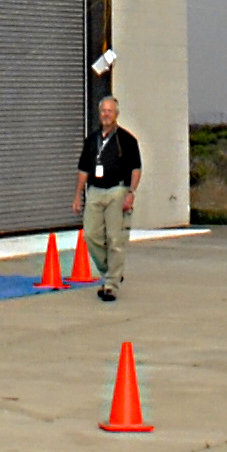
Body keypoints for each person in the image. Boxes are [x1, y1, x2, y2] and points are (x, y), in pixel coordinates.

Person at [72, 93, 141, 302]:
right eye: (103, 111)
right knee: (91, 235)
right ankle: (111, 271)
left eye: (110, 111)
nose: (106, 114)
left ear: (116, 114)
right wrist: (78, 195)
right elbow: (83, 169)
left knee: (115, 238)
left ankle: (110, 284)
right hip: (95, 191)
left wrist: (131, 193)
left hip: (117, 191)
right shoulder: (91, 141)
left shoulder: (127, 140)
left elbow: (136, 169)